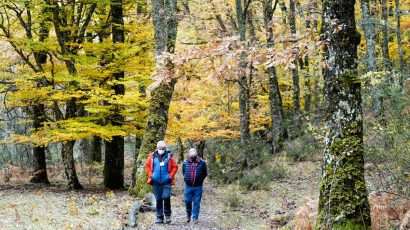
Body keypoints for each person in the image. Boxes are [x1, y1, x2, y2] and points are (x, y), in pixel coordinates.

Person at [145, 140, 178, 224]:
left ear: (164, 147)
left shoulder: (169, 155)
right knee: (158, 199)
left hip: (166, 181)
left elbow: (175, 167)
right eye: (159, 148)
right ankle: (159, 217)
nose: (161, 149)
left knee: (166, 197)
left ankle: (167, 216)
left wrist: (170, 176)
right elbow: (147, 166)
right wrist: (150, 175)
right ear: (157, 147)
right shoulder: (152, 156)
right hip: (156, 182)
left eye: (162, 148)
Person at [182, 148, 208, 224]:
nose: (193, 156)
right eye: (191, 154)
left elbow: (205, 173)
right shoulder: (185, 162)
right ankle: (188, 215)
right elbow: (184, 172)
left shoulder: (202, 162)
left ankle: (195, 217)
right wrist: (187, 179)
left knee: (197, 202)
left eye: (194, 154)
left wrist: (201, 180)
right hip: (188, 186)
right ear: (189, 154)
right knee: (187, 201)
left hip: (198, 186)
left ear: (196, 154)